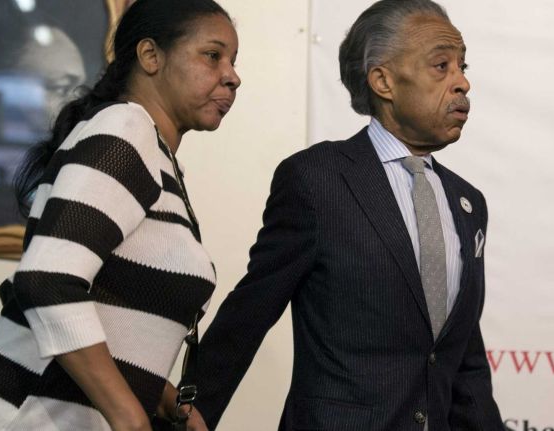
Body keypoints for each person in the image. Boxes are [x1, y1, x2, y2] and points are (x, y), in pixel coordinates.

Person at [0, 0, 240, 429]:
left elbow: (114, 311)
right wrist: (130, 418)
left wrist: (164, 400)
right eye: (213, 55)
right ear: (150, 56)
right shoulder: (126, 131)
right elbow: (47, 281)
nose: (232, 76)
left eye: (233, 62)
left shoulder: (150, 151)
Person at [186, 0, 505, 430]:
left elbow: (462, 357)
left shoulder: (469, 204)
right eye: (441, 66)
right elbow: (250, 313)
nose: (462, 82)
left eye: (463, 67)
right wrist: (189, 414)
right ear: (383, 80)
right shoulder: (318, 180)